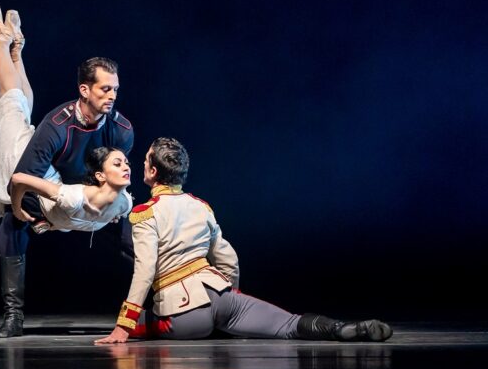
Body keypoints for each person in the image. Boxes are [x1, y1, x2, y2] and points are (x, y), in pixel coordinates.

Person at [95, 137, 393, 344]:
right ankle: (341, 329)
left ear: (153, 171)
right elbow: (229, 259)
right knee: (289, 324)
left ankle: (139, 325)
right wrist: (229, 296)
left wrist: (124, 323)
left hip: (181, 315)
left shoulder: (145, 213)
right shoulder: (202, 206)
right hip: (223, 297)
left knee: (134, 326)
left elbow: (145, 269)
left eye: (146, 159)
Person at [0, 4, 135, 338]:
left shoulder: (121, 129)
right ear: (84, 90)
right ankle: (13, 317)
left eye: (115, 89)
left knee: (133, 231)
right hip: (26, 163)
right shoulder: (56, 127)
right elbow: (20, 183)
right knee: (12, 103)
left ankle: (150, 310)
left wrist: (93, 210)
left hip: (74, 189)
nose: (113, 96)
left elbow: (112, 181)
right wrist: (41, 216)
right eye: (105, 89)